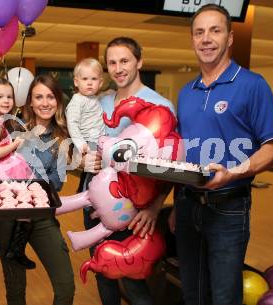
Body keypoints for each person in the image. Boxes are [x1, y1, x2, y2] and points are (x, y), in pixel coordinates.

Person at [170, 4, 273, 305]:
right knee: (192, 294)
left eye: (215, 30)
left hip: (229, 208)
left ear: (230, 37)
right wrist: (175, 203)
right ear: (193, 39)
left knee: (224, 297)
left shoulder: (252, 85)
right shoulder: (186, 92)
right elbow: (182, 151)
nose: (206, 39)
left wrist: (232, 173)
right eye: (199, 32)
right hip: (187, 206)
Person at [82, 37, 176, 305]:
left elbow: (171, 167)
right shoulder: (100, 103)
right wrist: (84, 160)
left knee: (134, 282)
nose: (118, 68)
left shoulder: (160, 107)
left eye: (124, 61)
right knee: (103, 272)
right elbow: (84, 149)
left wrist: (155, 208)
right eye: (112, 62)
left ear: (139, 61)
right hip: (96, 203)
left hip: (135, 210)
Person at [0, 74, 75, 305]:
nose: (45, 102)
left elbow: (56, 184)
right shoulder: (12, 130)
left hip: (41, 217)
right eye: (39, 97)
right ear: (29, 101)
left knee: (66, 286)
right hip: (8, 217)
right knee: (15, 291)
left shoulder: (62, 138)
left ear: (58, 101)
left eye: (50, 96)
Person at [0, 76, 35, 269]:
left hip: (0, 170)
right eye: (0, 96)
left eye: (9, 96)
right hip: (0, 172)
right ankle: (15, 250)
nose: (6, 100)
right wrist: (15, 144)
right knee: (25, 206)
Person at [66, 57, 105, 154]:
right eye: (85, 79)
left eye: (94, 79)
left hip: (100, 141)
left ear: (100, 83)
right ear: (76, 82)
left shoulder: (95, 98)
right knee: (92, 167)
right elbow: (72, 124)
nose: (89, 83)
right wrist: (80, 143)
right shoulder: (77, 101)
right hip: (87, 142)